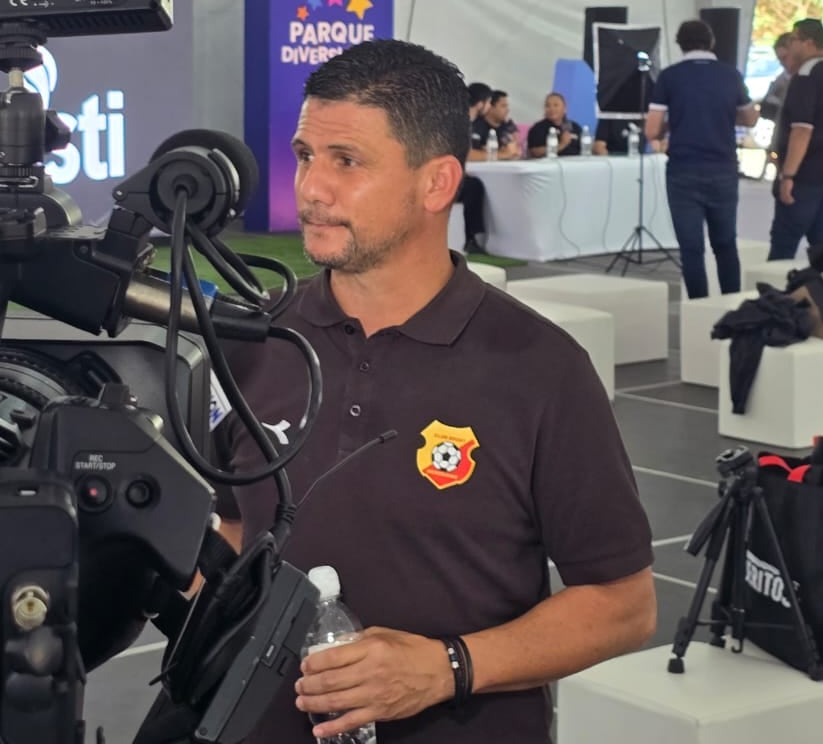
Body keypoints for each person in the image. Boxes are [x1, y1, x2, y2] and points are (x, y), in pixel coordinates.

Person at [210, 39, 656, 744]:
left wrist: (449, 666)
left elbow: (625, 605)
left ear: (437, 183)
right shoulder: (254, 342)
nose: (311, 188)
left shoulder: (541, 369)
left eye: (346, 162)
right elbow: (234, 528)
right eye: (304, 155)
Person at [644, 20, 757, 298]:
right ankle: (732, 304)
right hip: (723, 167)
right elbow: (750, 118)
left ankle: (698, 308)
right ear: (712, 42)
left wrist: (677, 121)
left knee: (692, 248)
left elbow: (652, 129)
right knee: (725, 244)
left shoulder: (670, 77)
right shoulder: (731, 75)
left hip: (683, 169)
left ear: (679, 44)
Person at [768, 18, 823, 260]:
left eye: (794, 39)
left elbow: (802, 130)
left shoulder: (806, 76)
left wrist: (788, 175)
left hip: (807, 173)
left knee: (784, 242)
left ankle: (777, 295)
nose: (791, 43)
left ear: (808, 42)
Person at [458, 83, 491, 252]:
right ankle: (472, 237)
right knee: (474, 186)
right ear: (481, 103)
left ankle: (476, 237)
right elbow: (466, 153)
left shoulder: (479, 124)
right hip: (450, 176)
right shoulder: (458, 121)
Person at [526, 92, 584, 157]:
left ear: (565, 109)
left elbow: (585, 149)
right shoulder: (538, 128)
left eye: (555, 105)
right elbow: (535, 152)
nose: (552, 109)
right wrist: (561, 145)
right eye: (548, 106)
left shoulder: (574, 127)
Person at [468, 90, 521, 160]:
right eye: (503, 106)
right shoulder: (476, 125)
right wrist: (502, 154)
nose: (507, 110)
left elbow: (515, 152)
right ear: (491, 107)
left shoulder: (508, 126)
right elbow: (469, 154)